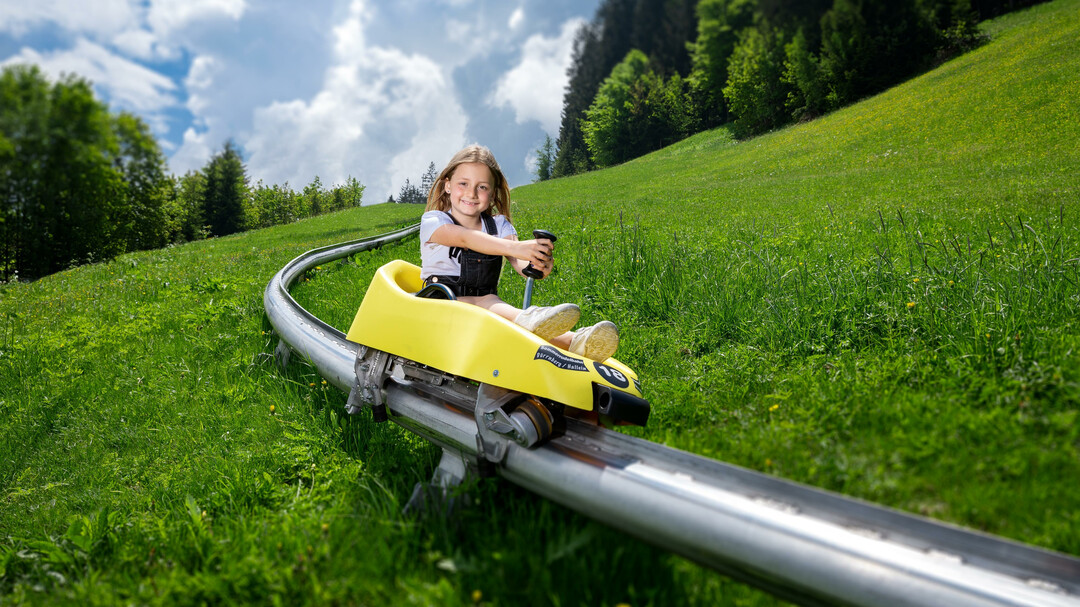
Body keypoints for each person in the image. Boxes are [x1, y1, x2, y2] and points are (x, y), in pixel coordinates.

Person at [419, 144, 618, 362]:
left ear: (493, 194)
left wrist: (536, 263)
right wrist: (516, 247)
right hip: (440, 303)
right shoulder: (434, 221)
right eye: (463, 183)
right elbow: (466, 238)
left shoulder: (498, 225)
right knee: (495, 311)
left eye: (482, 187)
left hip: (487, 302)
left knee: (491, 305)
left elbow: (519, 262)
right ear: (447, 185)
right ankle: (532, 320)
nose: (471, 193)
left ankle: (577, 342)